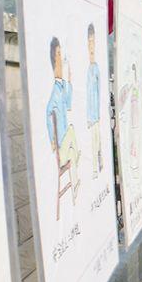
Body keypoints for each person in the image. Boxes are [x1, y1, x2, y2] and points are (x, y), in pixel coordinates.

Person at [46, 37, 80, 201]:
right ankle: (75, 185)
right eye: (58, 55)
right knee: (72, 132)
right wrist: (53, 140)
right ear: (54, 60)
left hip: (66, 146)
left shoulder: (60, 89)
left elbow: (68, 103)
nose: (61, 59)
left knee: (73, 152)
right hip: (61, 147)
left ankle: (75, 188)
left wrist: (70, 80)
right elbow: (48, 112)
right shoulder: (54, 93)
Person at [86, 24, 103, 178]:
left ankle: (98, 165)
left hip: (96, 116)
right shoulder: (87, 69)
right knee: (94, 142)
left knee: (97, 141)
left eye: (93, 42)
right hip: (90, 117)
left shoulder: (96, 68)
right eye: (89, 42)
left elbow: (100, 92)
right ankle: (96, 166)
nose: (91, 46)